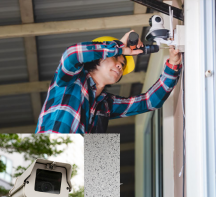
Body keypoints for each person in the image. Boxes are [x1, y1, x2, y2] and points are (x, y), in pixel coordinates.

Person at [35, 30, 182, 134]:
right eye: (116, 58)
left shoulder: (106, 104)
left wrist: (173, 64)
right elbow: (72, 54)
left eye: (123, 65)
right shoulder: (70, 80)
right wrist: (117, 47)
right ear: (98, 57)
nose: (120, 65)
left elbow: (149, 101)